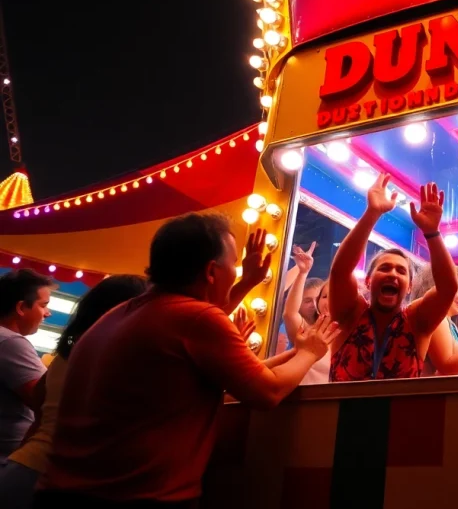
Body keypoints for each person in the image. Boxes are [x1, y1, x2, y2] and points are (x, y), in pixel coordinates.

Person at [34, 214, 340, 508]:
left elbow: (208, 325)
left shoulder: (123, 313)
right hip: (135, 498)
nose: (236, 271)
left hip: (63, 492)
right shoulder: (195, 319)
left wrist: (248, 283)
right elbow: (268, 392)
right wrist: (310, 352)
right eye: (234, 264)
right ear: (210, 271)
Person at [0, 275, 147, 509]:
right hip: (57, 479)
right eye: (44, 305)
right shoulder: (126, 360)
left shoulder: (67, 355)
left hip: (24, 468)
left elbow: (41, 410)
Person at [327, 175, 458, 381]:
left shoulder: (416, 321)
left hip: (401, 414)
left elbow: (448, 289)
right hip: (342, 413)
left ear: (409, 287)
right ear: (369, 281)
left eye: (401, 271)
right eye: (385, 268)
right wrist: (372, 214)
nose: (392, 274)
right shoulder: (350, 313)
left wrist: (432, 233)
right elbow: (340, 271)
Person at [0, 270, 53, 458]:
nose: (48, 313)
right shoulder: (10, 342)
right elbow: (49, 403)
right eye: (43, 305)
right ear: (21, 307)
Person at [281, 243, 330, 384]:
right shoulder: (306, 332)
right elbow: (289, 314)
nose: (330, 301)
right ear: (318, 304)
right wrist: (302, 272)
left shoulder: (348, 334)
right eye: (325, 296)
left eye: (335, 296)